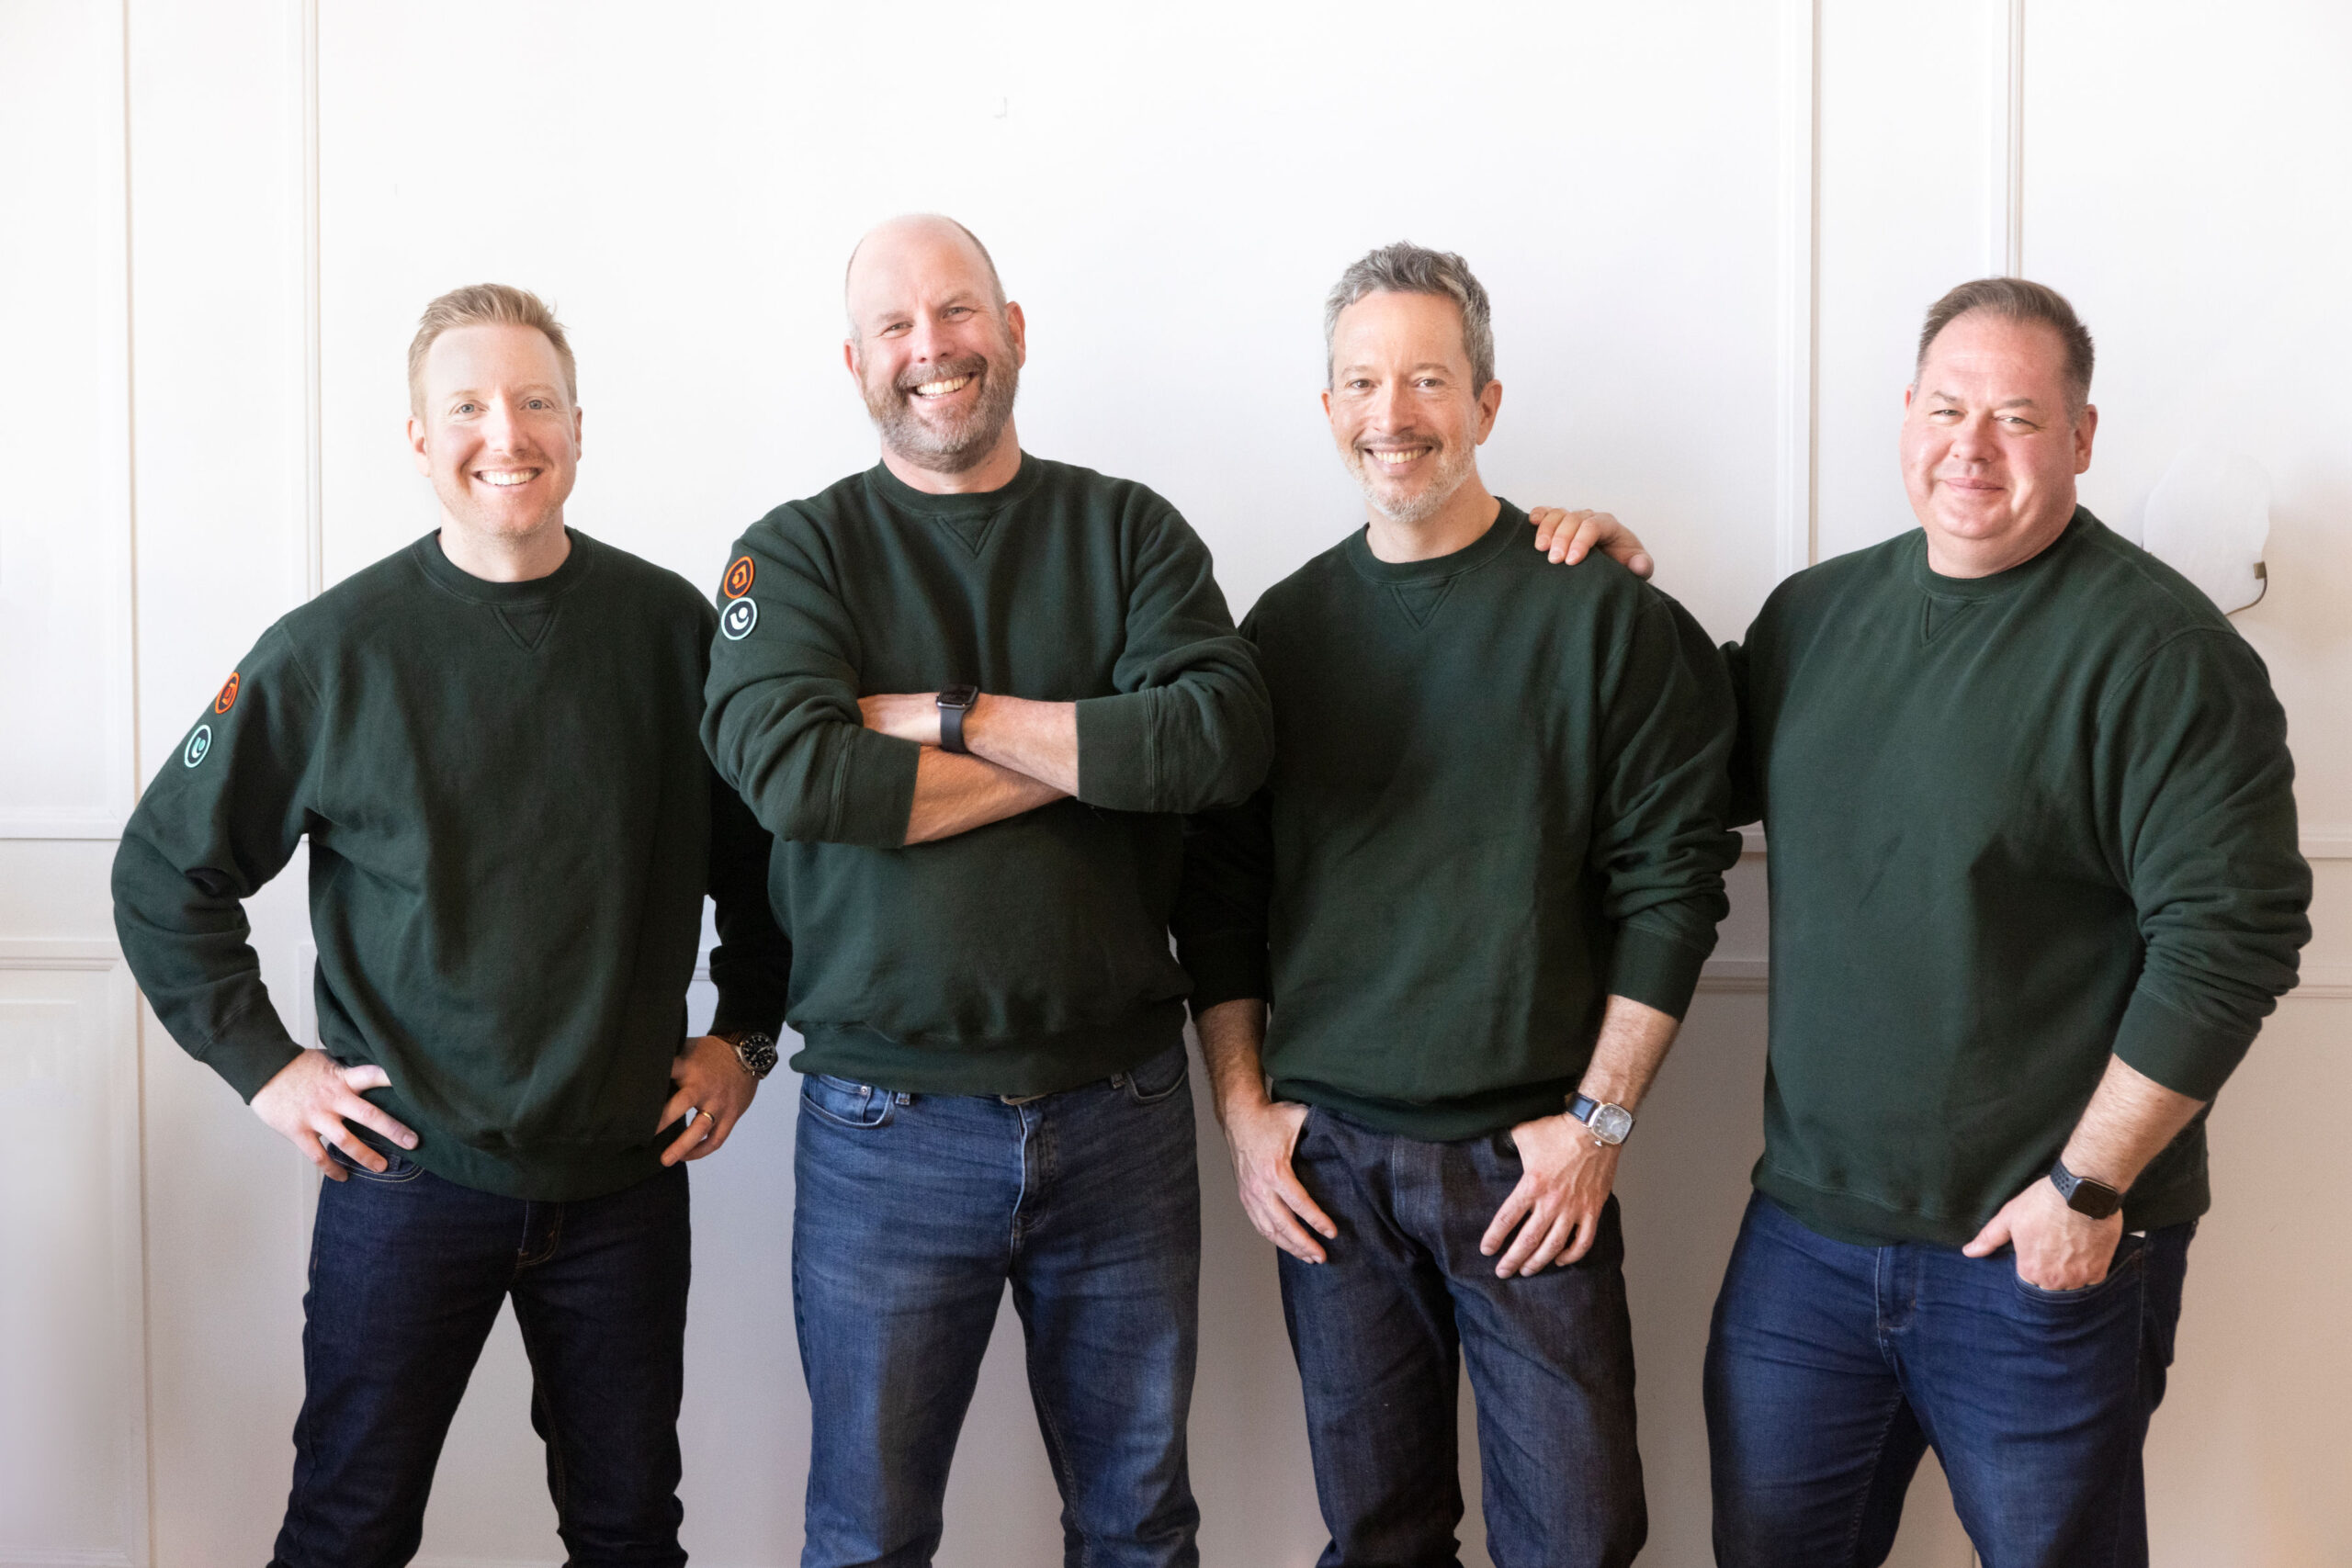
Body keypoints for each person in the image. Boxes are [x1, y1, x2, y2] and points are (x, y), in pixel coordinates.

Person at [1536, 277, 2312, 1567]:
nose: (1972, 446)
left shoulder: (2163, 656)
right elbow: (1675, 773)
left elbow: (2235, 939)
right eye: (1947, 407)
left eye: (2016, 416)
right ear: (1905, 415)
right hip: (1810, 1243)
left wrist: (2087, 1184)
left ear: (2082, 435)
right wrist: (1606, 593)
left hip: (2038, 1248)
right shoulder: (1816, 617)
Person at [112, 284, 789, 1568]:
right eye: (468, 406)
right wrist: (269, 1070)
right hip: (406, 1177)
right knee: (349, 1532)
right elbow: (161, 872)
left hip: (622, 1178)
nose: (507, 432)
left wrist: (745, 1037)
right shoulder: (331, 652)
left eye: (536, 402)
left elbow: (766, 866)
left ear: (579, 428)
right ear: (418, 440)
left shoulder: (671, 635)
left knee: (630, 1532)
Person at [700, 214, 1272, 1568]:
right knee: (869, 1532)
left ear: (1013, 331)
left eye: (959, 313)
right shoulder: (792, 554)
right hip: (883, 1129)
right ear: (855, 362)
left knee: (1138, 1525)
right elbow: (798, 777)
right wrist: (1095, 750)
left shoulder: (1128, 529)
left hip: (1121, 1112)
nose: (932, 348)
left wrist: (955, 717)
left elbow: (1220, 739)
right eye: (896, 326)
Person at [1171, 243, 1740, 1568]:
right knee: (1379, 1536)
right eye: (1363, 382)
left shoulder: (1600, 617)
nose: (1394, 414)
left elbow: (1675, 888)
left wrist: (1596, 1123)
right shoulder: (1281, 635)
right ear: (1327, 412)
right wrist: (1246, 1115)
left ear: (1486, 403)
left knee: (1580, 1540)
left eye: (1428, 378)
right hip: (1332, 1173)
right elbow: (1224, 895)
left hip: (1526, 1165)